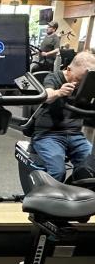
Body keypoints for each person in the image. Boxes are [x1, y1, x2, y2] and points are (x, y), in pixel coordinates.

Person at [30, 50, 95, 182]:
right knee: (57, 171)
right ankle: (46, 195)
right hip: (48, 135)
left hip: (75, 134)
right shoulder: (54, 77)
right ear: (69, 69)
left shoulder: (89, 84)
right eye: (78, 79)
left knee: (90, 168)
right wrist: (59, 92)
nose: (79, 84)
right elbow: (47, 95)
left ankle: (73, 190)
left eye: (84, 81)